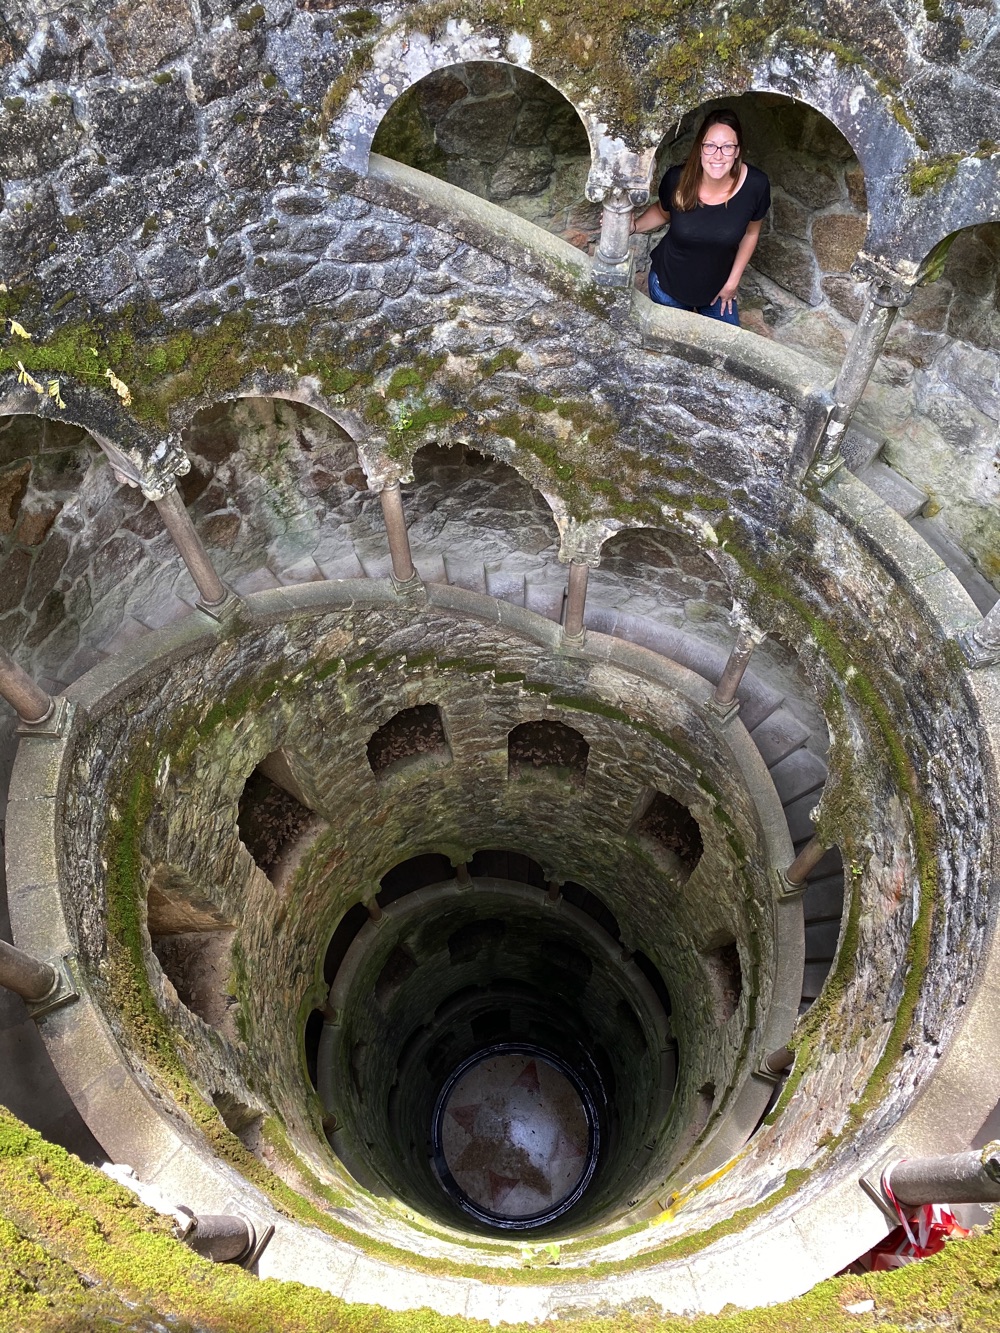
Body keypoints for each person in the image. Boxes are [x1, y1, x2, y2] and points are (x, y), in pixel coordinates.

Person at [633, 109, 770, 327]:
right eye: (710, 146)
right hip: (669, 286)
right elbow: (662, 212)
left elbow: (751, 232)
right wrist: (634, 226)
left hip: (718, 290)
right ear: (700, 149)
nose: (718, 155)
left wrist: (732, 283)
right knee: (675, 353)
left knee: (725, 353)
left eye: (727, 147)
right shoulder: (677, 179)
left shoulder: (756, 185)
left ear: (737, 151)